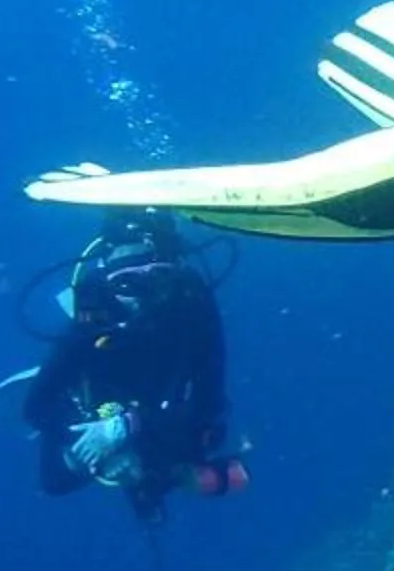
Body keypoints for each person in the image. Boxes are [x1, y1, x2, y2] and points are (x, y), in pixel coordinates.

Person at [23, 215, 246, 521]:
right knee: (57, 479)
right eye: (126, 284)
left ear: (172, 276)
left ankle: (158, 470)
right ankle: (137, 460)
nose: (141, 299)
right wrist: (91, 447)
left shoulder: (190, 301)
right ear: (106, 279)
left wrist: (129, 426)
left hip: (159, 413)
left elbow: (211, 403)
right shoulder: (94, 307)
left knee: (203, 444)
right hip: (100, 404)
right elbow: (36, 406)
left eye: (156, 280)